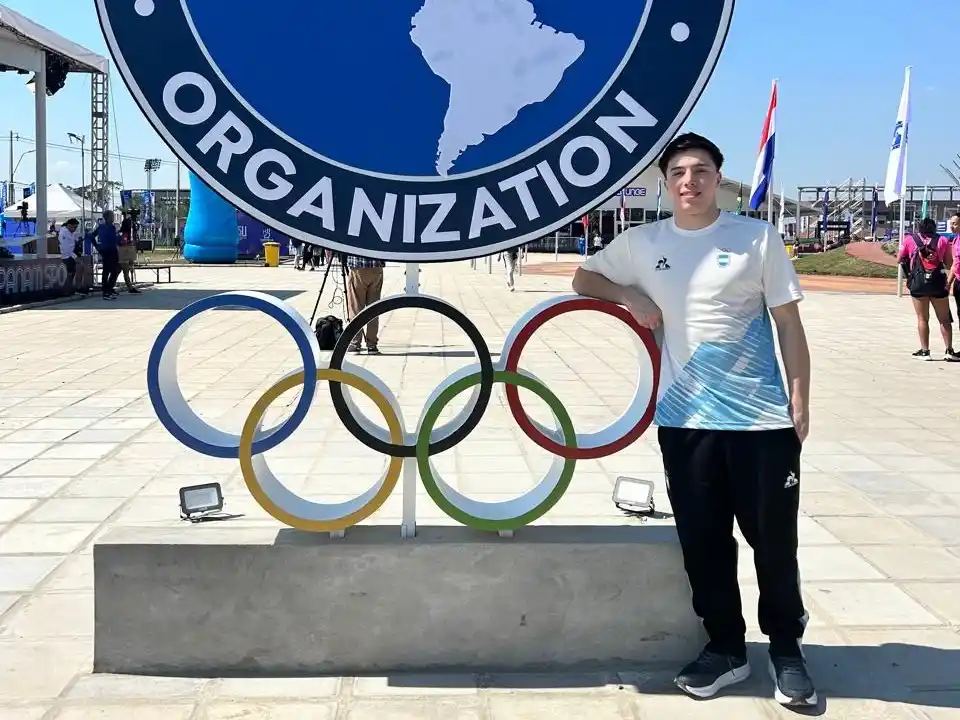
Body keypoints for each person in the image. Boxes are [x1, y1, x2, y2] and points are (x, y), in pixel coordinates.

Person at [572, 133, 816, 707]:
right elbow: (584, 277)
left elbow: (788, 326)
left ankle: (787, 650)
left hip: (761, 422)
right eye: (679, 172)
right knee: (703, 543)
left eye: (701, 171)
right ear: (665, 181)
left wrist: (800, 398)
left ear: (718, 178)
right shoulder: (643, 243)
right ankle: (726, 649)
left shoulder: (756, 238)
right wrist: (628, 298)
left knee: (773, 543)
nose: (690, 182)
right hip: (686, 420)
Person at [898, 217, 957, 361]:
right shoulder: (942, 240)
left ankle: (925, 351)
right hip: (938, 283)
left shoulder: (910, 240)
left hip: (918, 284)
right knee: (944, 319)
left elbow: (900, 259)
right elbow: (950, 263)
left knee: (922, 318)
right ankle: (948, 350)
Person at [345, 254, 385, 354]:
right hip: (376, 266)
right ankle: (372, 345)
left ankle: (355, 343)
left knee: (356, 307)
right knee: (373, 309)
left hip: (358, 266)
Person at [89, 210, 122, 300]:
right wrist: (97, 246)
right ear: (107, 218)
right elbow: (92, 236)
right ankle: (105, 292)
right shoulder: (101, 227)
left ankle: (109, 288)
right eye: (111, 216)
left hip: (114, 250)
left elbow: (114, 238)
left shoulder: (113, 227)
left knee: (116, 269)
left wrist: (119, 240)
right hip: (106, 251)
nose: (113, 218)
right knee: (106, 271)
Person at [58, 218, 82, 295]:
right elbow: (66, 248)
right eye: (74, 227)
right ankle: (70, 290)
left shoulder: (70, 232)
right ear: (69, 225)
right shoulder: (64, 233)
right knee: (72, 272)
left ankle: (69, 290)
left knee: (72, 273)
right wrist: (75, 257)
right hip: (67, 256)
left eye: (76, 227)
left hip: (71, 255)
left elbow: (74, 239)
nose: (74, 229)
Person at [946, 214, 960, 325]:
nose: (951, 226)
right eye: (950, 224)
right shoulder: (955, 240)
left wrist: (949, 282)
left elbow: (956, 264)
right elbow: (955, 264)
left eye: (954, 224)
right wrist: (949, 283)